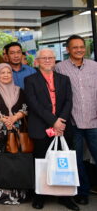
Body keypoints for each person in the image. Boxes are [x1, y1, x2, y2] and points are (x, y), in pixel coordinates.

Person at [24, 48, 78, 211]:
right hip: (41, 128)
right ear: (38, 61)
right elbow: (33, 104)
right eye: (44, 58)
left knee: (63, 163)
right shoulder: (30, 80)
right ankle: (40, 196)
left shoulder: (64, 79)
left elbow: (69, 101)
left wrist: (60, 122)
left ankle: (66, 197)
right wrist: (53, 121)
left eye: (51, 58)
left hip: (63, 127)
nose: (47, 60)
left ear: (55, 60)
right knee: (41, 162)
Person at [55, 35, 97, 205]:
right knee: (76, 160)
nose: (79, 50)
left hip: (94, 121)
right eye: (75, 47)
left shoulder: (95, 66)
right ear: (67, 49)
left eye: (81, 46)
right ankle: (83, 191)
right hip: (72, 122)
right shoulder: (59, 68)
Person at [0, 63, 28, 205]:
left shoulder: (19, 90)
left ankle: (19, 193)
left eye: (8, 72)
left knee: (17, 160)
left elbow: (25, 107)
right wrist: (5, 120)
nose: (6, 75)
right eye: (2, 73)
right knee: (1, 160)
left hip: (16, 131)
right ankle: (2, 194)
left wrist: (14, 119)